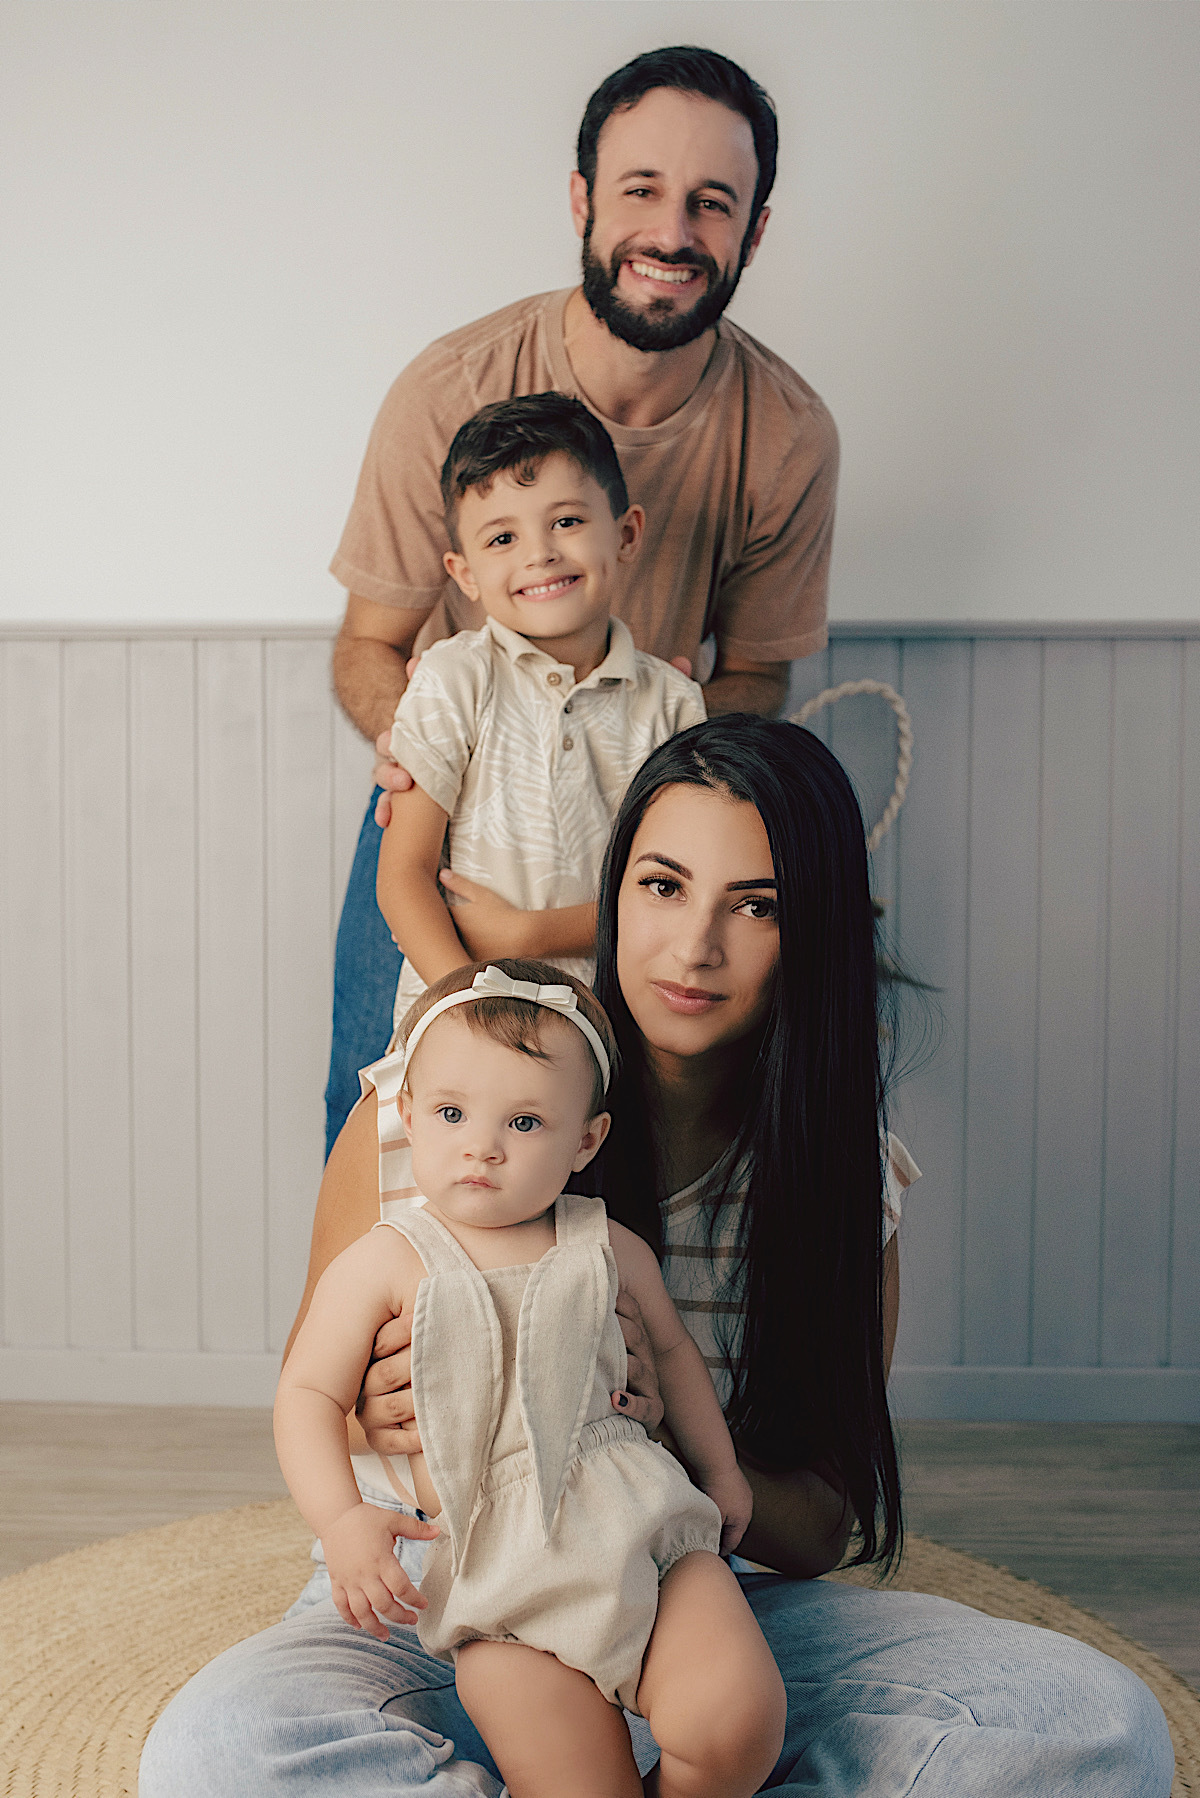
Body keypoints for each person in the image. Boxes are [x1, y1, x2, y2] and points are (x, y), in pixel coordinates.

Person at [141, 717, 1174, 1796]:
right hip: (432, 1604)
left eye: (757, 905)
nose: (694, 947)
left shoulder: (837, 1173)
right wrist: (394, 1404)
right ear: (613, 892)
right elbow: (313, 1391)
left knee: (1092, 1728)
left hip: (687, 1591)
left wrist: (657, 1439)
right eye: (662, 886)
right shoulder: (427, 1110)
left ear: (810, 929)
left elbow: (819, 1524)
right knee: (219, 1755)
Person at [324, 43, 839, 1153]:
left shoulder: (787, 435)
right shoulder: (450, 389)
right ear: (582, 200)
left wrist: (673, 807)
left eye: (712, 203)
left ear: (753, 230)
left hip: (644, 843)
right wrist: (426, 744)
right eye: (641, 190)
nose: (672, 231)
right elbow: (369, 645)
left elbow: (754, 672)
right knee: (377, 1122)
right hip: (451, 828)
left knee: (648, 1134)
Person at [275, 958, 784, 1798]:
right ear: (408, 1117)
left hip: (649, 1536)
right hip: (497, 1585)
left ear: (586, 1141)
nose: (481, 1144)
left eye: (524, 1121)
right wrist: (340, 1520)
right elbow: (306, 1395)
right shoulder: (388, 1262)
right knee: (578, 1784)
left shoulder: (607, 1244)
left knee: (737, 1724)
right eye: (451, 1113)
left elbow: (677, 1355)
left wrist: (720, 1470)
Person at [376, 393, 704, 1030]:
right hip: (460, 1020)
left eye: (567, 522)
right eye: (502, 537)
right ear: (465, 574)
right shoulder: (454, 676)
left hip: (613, 1024)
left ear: (627, 532)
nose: (540, 553)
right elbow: (403, 878)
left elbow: (680, 893)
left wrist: (529, 934)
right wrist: (465, 1008)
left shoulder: (673, 705)